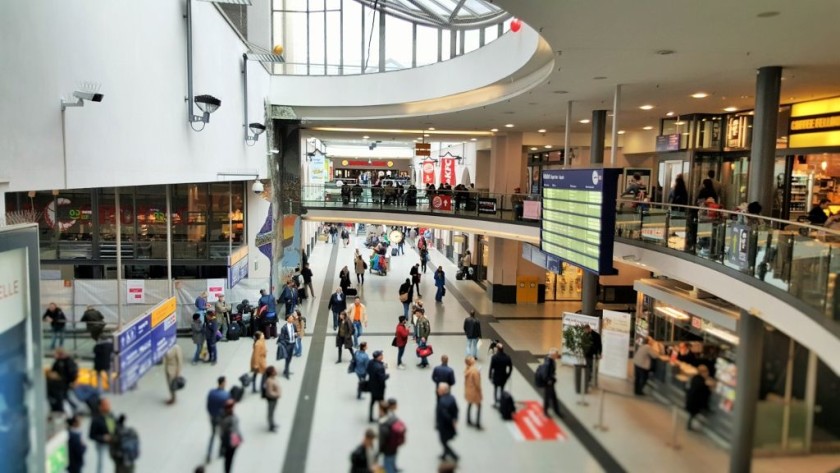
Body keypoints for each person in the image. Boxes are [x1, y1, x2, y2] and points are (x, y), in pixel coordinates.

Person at [206, 377, 231, 464]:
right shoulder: (226, 395)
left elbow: (208, 405)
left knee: (212, 435)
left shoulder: (211, 392)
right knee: (222, 435)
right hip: (221, 419)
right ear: (223, 383)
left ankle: (209, 454)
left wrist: (210, 414)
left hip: (213, 417)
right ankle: (221, 452)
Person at [89, 398, 116, 473]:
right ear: (100, 407)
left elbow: (114, 427)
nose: (108, 406)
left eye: (108, 404)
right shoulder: (96, 419)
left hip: (113, 443)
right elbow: (91, 435)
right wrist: (103, 438)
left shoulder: (111, 415)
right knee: (102, 463)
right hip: (102, 445)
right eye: (106, 405)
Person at [378, 398, 405, 473]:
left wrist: (379, 450)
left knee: (388, 465)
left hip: (388, 448)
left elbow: (383, 438)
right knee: (392, 460)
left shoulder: (383, 422)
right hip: (394, 445)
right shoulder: (393, 417)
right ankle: (394, 468)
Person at [435, 382, 459, 462]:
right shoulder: (452, 398)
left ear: (443, 390)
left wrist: (450, 421)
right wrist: (455, 419)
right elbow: (456, 410)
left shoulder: (442, 401)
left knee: (443, 441)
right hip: (449, 425)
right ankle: (444, 455)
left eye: (439, 389)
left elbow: (444, 414)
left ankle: (453, 455)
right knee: (444, 440)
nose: (437, 390)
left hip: (444, 426)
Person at [686, 364, 712, 431]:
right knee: (696, 415)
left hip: (691, 401)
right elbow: (705, 392)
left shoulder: (695, 378)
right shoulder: (701, 382)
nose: (707, 373)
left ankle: (689, 425)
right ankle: (693, 426)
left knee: (692, 415)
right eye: (706, 372)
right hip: (696, 403)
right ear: (703, 372)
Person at [219, 399, 242, 473]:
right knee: (228, 459)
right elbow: (225, 430)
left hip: (233, 440)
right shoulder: (226, 418)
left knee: (230, 458)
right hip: (230, 441)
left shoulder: (230, 416)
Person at [366, 350, 390, 423]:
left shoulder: (370, 362)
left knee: (372, 402)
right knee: (381, 403)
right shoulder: (380, 368)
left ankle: (370, 417)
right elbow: (382, 378)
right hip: (379, 388)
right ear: (378, 357)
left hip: (372, 386)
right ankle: (382, 417)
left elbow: (368, 370)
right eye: (381, 355)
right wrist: (387, 376)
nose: (382, 356)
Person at [542, 348, 563, 419]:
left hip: (550, 382)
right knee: (548, 397)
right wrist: (549, 381)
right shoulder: (549, 363)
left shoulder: (550, 360)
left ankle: (555, 411)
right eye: (556, 355)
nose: (557, 357)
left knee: (552, 397)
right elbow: (545, 374)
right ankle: (546, 411)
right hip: (548, 383)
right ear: (553, 355)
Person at [464, 356, 483, 430]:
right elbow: (477, 383)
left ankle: (468, 420)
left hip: (468, 390)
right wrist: (480, 391)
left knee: (470, 404)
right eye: (472, 359)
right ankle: (478, 423)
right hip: (474, 391)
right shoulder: (474, 371)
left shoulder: (467, 369)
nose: (473, 359)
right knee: (479, 406)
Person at [583, 325, 602, 391]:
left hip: (594, 355)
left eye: (585, 330)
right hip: (587, 355)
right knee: (588, 367)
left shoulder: (597, 335)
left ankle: (594, 381)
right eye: (584, 331)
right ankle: (588, 380)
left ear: (589, 328)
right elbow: (583, 344)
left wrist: (600, 353)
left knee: (594, 368)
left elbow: (600, 345)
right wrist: (584, 352)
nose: (585, 332)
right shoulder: (585, 335)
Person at [278, 315, 297, 379]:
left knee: (290, 358)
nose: (292, 319)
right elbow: (282, 337)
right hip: (288, 344)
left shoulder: (293, 325)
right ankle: (286, 372)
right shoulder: (284, 328)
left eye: (292, 318)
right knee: (287, 358)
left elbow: (295, 332)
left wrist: (295, 335)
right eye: (291, 318)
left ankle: (286, 370)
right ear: (287, 319)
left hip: (293, 343)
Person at [264, 366, 282, 432]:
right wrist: (277, 395)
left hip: (275, 398)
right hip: (272, 399)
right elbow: (269, 392)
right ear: (271, 373)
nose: (276, 371)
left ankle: (273, 423)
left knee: (273, 411)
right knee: (270, 413)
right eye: (274, 371)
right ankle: (271, 426)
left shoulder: (273, 378)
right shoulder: (269, 381)